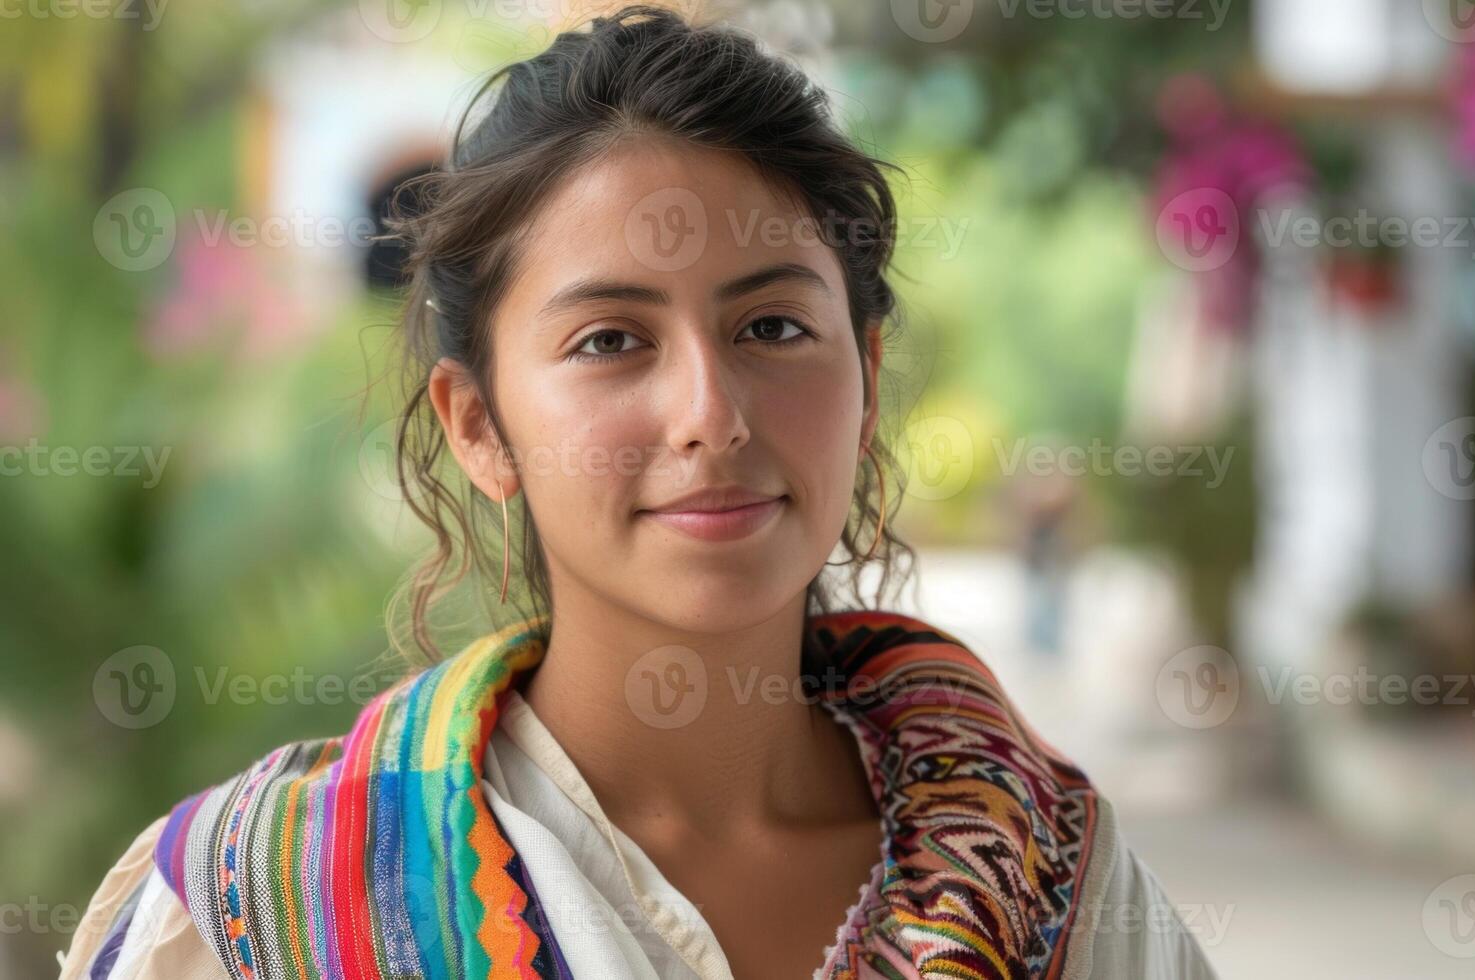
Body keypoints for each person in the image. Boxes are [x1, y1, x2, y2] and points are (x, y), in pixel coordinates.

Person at [57, 6, 1217, 978]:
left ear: (864, 377)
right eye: (611, 339)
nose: (711, 410)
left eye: (772, 324)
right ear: (479, 424)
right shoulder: (263, 912)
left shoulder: (1056, 877)